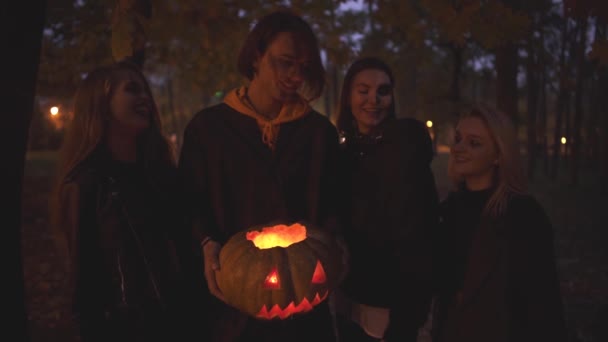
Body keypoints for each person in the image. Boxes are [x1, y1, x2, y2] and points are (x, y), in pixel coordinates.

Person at [178, 9, 342, 342]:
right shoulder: (209, 129)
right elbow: (188, 200)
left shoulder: (318, 133)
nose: (295, 76)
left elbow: (335, 202)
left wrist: (337, 245)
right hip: (233, 305)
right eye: (285, 62)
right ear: (256, 56)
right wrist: (206, 242)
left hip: (302, 309)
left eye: (303, 67)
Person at [49, 61, 195, 342]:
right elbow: (84, 283)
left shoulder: (161, 173)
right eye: (131, 90)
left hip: (182, 320)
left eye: (145, 90)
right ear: (101, 104)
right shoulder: (87, 184)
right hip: (130, 329)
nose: (145, 98)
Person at [432, 104, 567, 342]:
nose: (458, 148)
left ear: (497, 155)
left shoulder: (523, 215)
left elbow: (543, 302)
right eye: (458, 138)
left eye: (474, 143)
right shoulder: (449, 210)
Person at [333, 56, 439, 342]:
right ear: (348, 97)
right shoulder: (344, 157)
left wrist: (406, 321)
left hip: (390, 308)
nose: (373, 100)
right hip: (348, 301)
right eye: (363, 90)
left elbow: (419, 238)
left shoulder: (404, 153)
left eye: (383, 91)